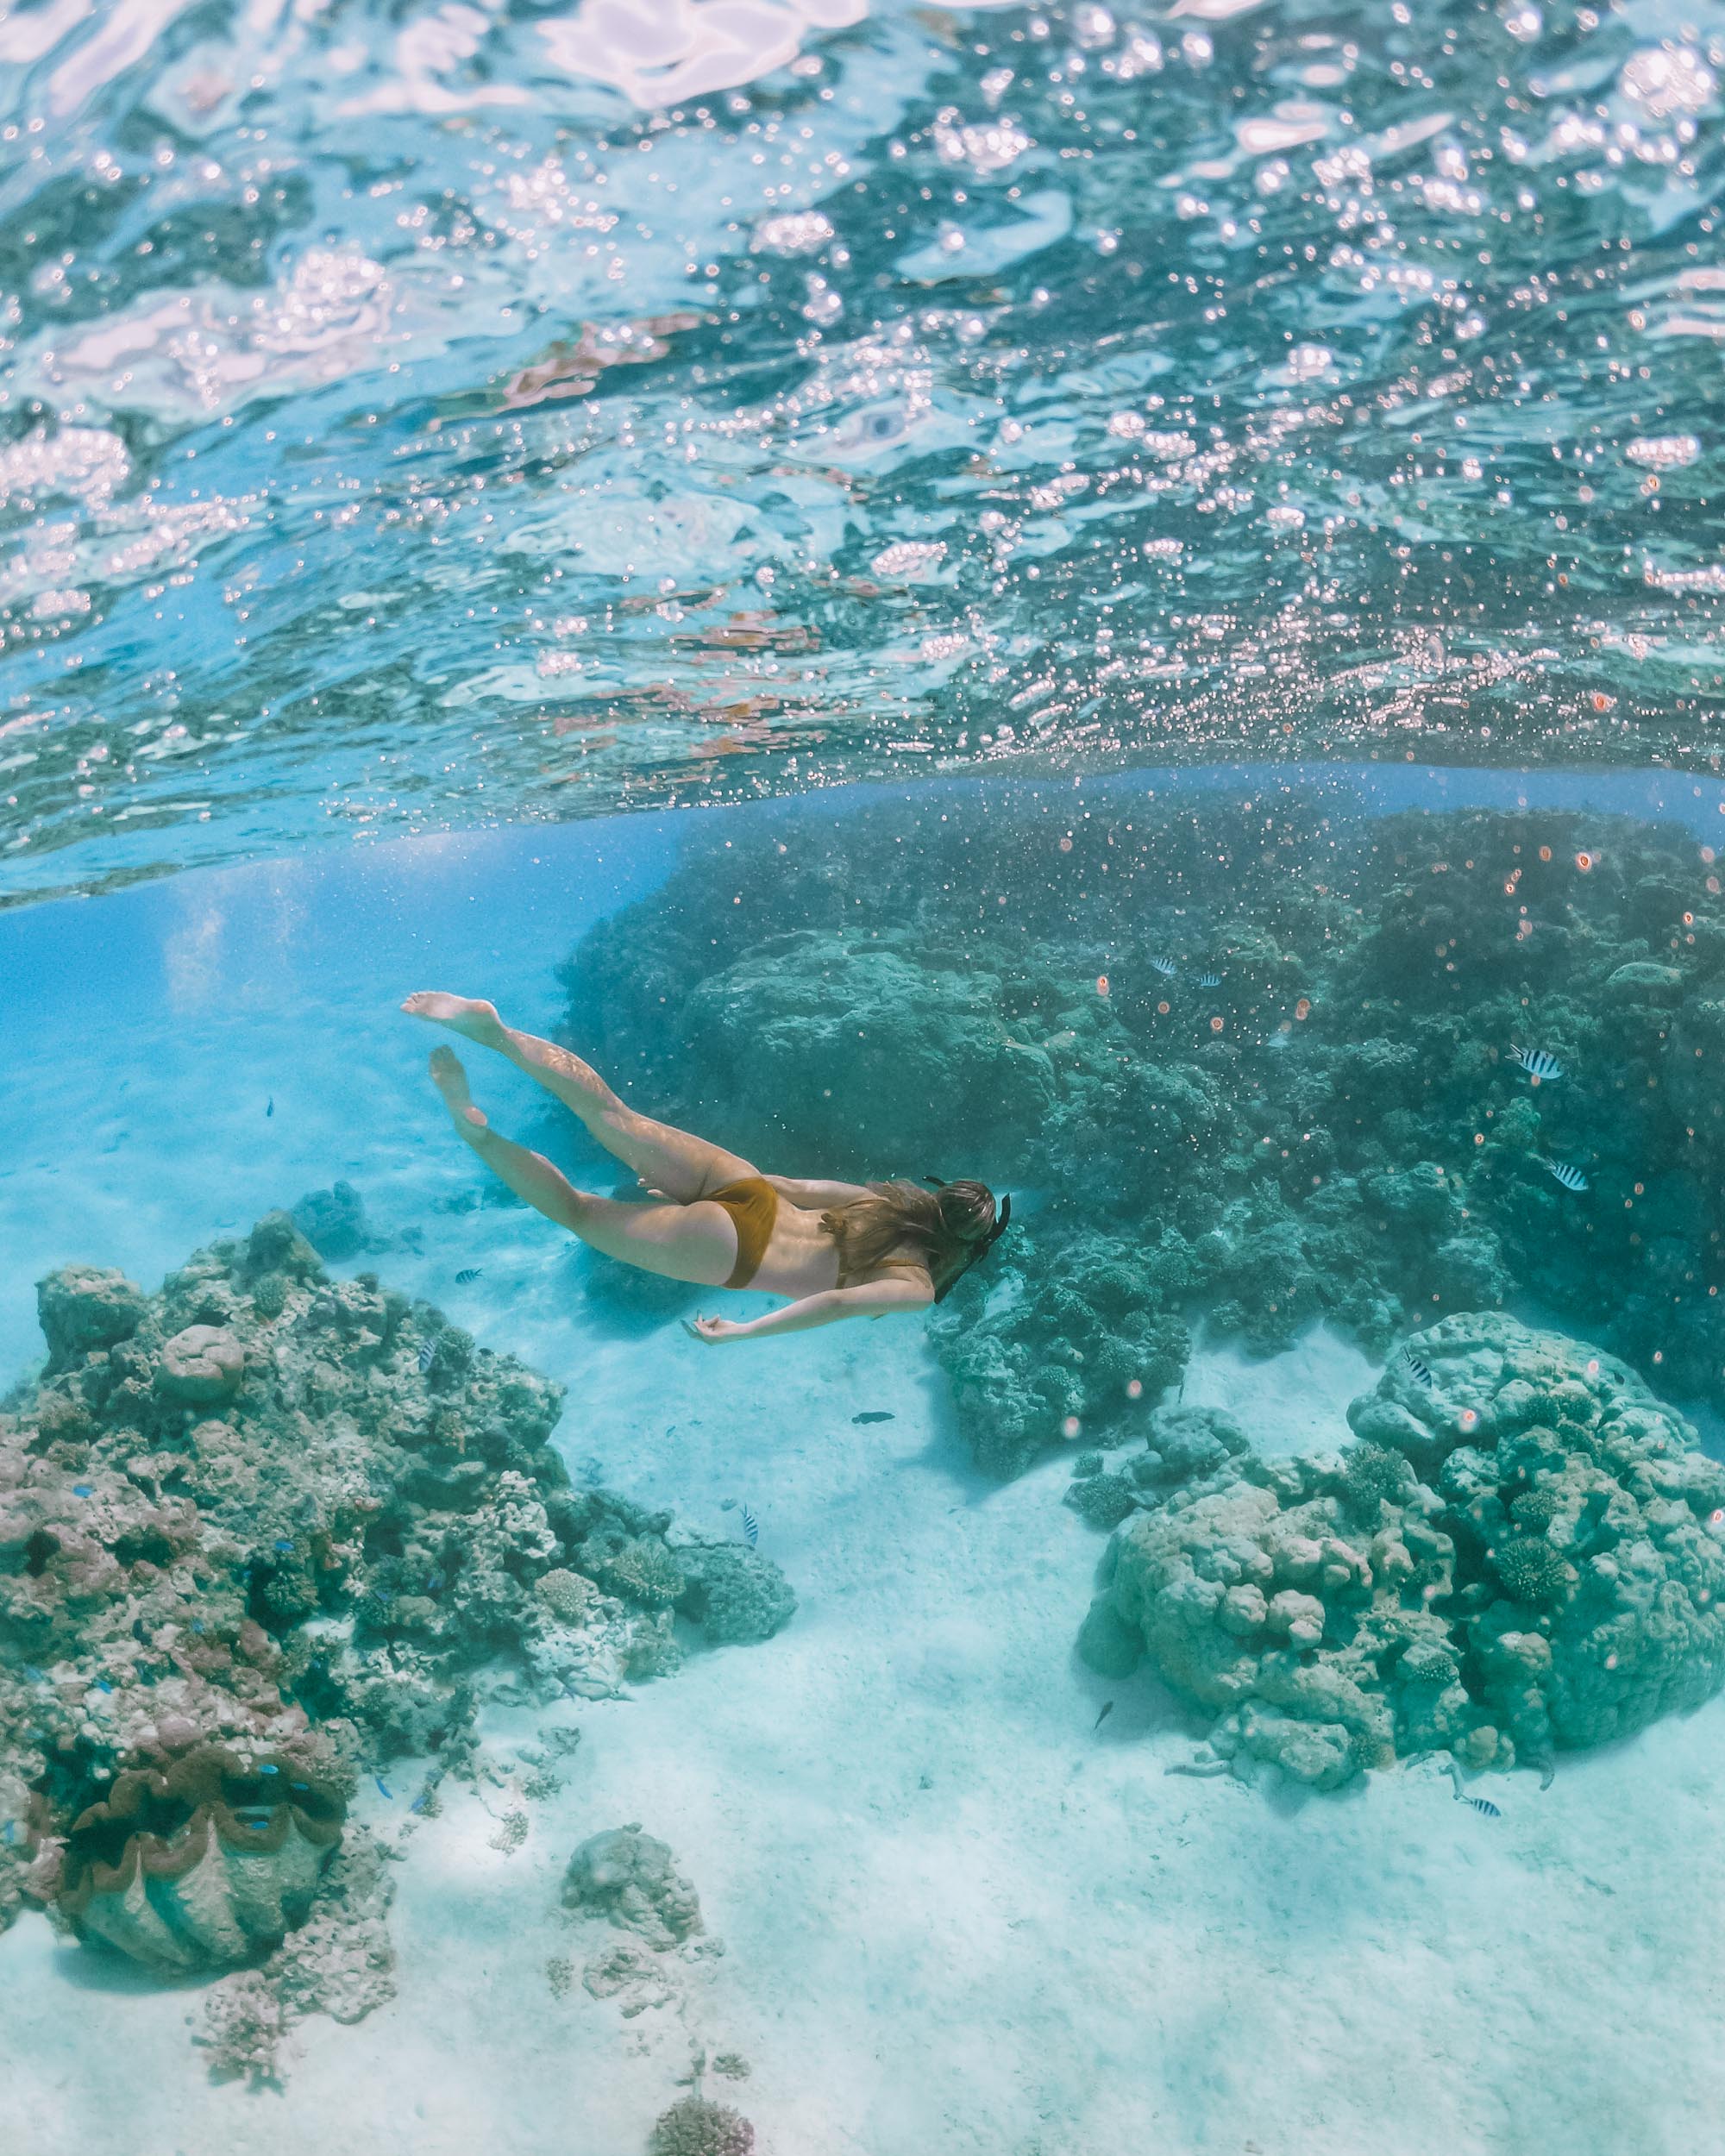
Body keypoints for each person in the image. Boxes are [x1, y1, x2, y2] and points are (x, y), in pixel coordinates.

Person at [401, 993, 1011, 1344]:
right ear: (970, 1247)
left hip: (748, 1190)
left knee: (611, 1113)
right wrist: (744, 1333)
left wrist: (693, 1193)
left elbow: (790, 1186)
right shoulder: (917, 1288)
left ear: (940, 1199)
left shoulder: (883, 1202)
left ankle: (499, 1034)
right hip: (735, 1252)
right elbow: (835, 1305)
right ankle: (474, 1130)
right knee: (578, 1212)